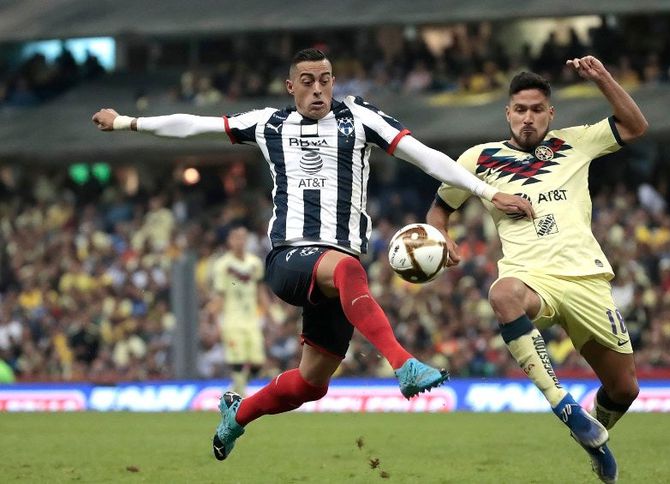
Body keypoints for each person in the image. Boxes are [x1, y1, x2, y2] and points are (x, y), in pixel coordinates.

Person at [92, 48, 534, 461]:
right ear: (291, 87)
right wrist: (127, 122)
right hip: (290, 258)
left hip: (337, 274)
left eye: (325, 80)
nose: (318, 89)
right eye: (307, 81)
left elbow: (424, 156)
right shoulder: (268, 124)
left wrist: (486, 192)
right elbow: (194, 125)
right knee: (348, 269)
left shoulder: (359, 118)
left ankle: (238, 415)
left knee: (311, 384)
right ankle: (404, 364)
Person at [426, 57, 648, 483]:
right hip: (530, 277)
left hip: (586, 278)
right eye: (520, 109)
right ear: (507, 112)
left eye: (536, 109)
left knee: (624, 388)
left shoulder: (576, 142)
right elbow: (439, 208)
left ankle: (594, 438)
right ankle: (565, 407)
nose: (528, 118)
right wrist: (441, 235)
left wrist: (603, 78)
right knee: (502, 294)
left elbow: (636, 127)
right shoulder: (478, 159)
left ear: (551, 113)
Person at [207, 225, 268, 396]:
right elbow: (219, 295)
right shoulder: (223, 265)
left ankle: (235, 387)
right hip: (232, 320)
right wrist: (215, 321)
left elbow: (260, 291)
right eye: (236, 238)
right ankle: (241, 396)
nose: (239, 241)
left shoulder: (255, 263)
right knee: (238, 360)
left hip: (252, 319)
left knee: (257, 362)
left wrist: (270, 314)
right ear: (229, 241)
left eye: (242, 238)